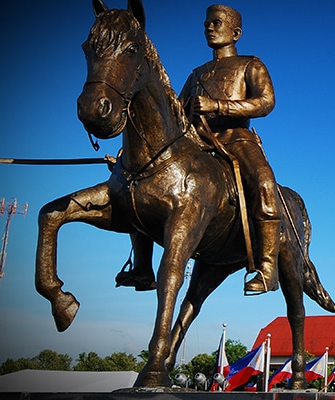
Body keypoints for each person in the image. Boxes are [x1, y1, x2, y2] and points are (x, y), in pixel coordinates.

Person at [116, 4, 280, 295]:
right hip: (196, 143)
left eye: (217, 23)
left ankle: (267, 269)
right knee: (137, 182)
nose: (209, 27)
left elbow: (266, 102)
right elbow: (174, 113)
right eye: (207, 23)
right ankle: (142, 267)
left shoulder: (250, 65)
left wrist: (218, 106)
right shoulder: (196, 75)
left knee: (265, 183)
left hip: (237, 139)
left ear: (236, 32)